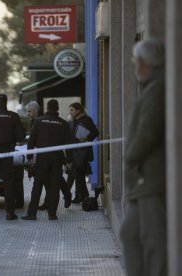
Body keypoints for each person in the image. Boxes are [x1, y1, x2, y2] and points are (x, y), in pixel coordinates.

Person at [119, 38, 166, 276]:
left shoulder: (157, 88)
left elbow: (148, 131)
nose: (134, 66)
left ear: (144, 62)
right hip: (142, 181)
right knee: (130, 233)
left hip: (149, 178)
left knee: (153, 239)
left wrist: (130, 156)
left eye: (135, 61)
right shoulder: (154, 87)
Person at [21, 99, 70, 221]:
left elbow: (31, 140)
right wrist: (68, 160)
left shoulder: (38, 121)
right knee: (54, 186)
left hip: (42, 157)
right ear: (57, 108)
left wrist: (29, 157)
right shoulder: (64, 123)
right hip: (57, 158)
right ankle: (52, 214)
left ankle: (32, 214)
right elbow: (69, 145)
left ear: (46, 108)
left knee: (37, 186)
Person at [66, 102, 99, 203]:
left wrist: (86, 138)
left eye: (72, 110)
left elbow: (95, 132)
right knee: (77, 175)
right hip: (73, 151)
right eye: (70, 110)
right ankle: (80, 196)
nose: (70, 112)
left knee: (78, 174)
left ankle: (83, 196)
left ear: (78, 110)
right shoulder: (72, 121)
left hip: (82, 152)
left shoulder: (86, 120)